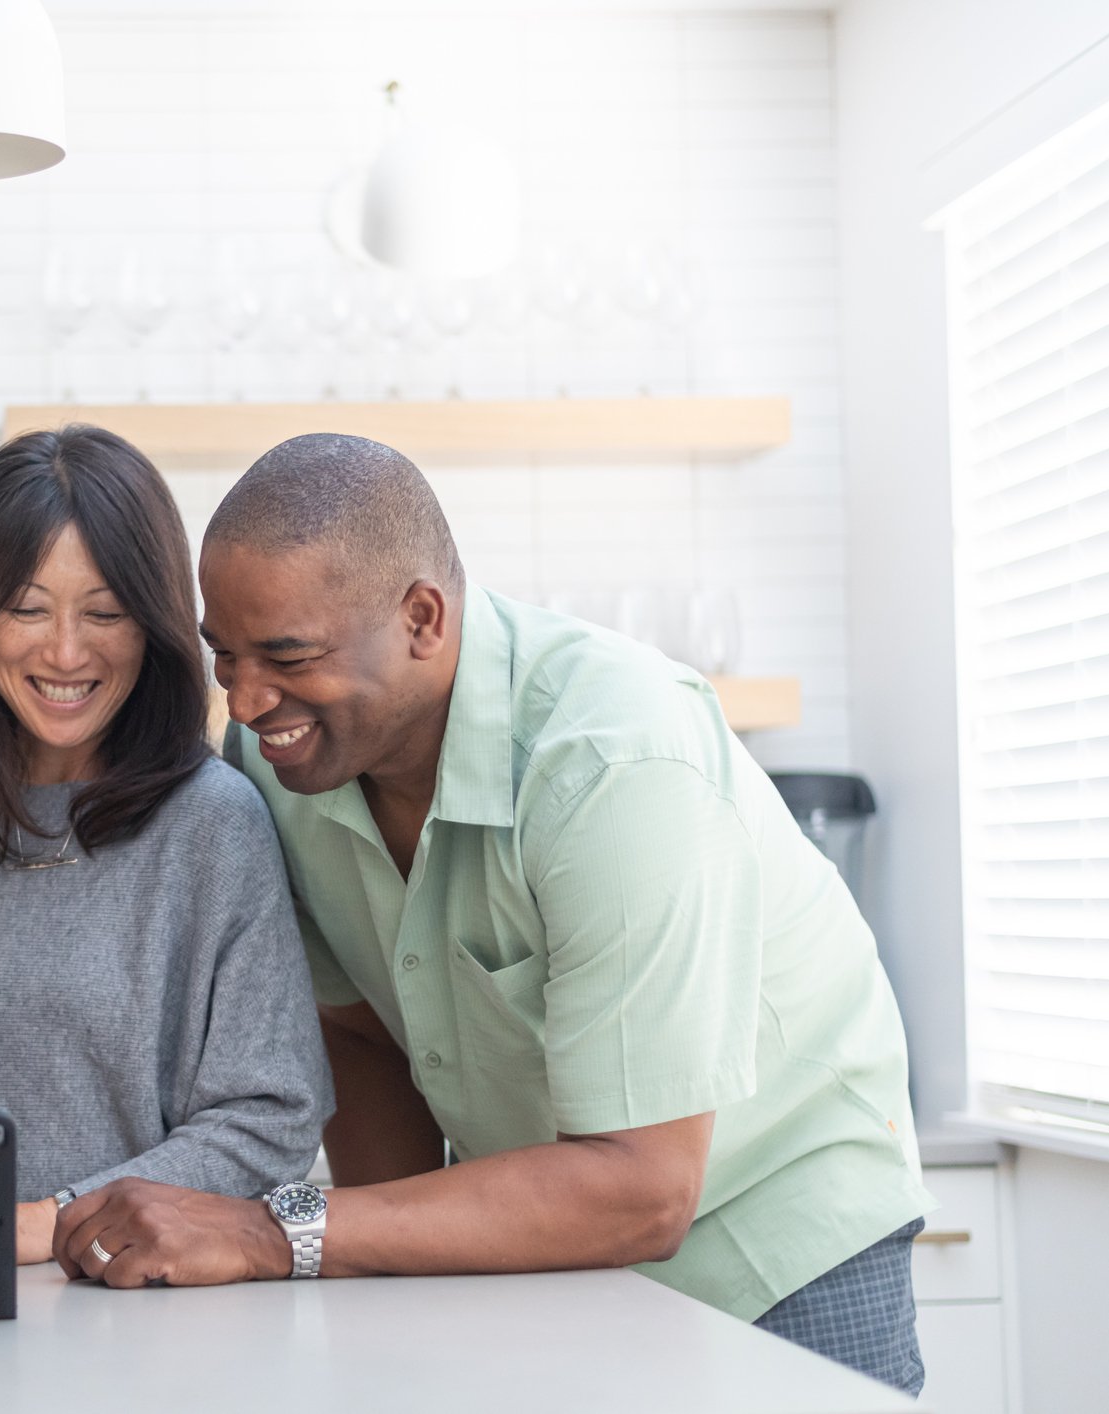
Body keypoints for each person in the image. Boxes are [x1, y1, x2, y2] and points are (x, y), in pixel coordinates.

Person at [54, 433, 935, 1395]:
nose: (249, 700)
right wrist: (381, 1296)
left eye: (288, 655)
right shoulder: (278, 766)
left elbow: (642, 1189)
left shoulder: (612, 763)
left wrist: (278, 1233)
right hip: (553, 1248)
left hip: (772, 1234)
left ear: (422, 618)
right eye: (225, 655)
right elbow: (359, 1038)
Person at [0, 425, 333, 1265]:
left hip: (144, 1310)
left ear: (155, 625)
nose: (65, 651)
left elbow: (268, 1118)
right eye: (26, 608)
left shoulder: (213, 823)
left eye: (104, 612)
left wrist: (44, 1227)